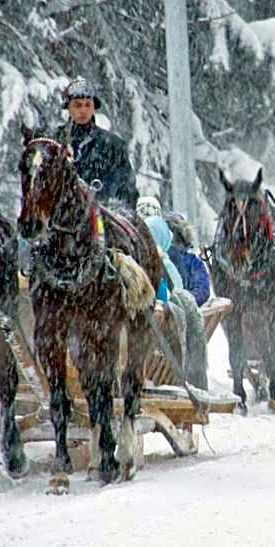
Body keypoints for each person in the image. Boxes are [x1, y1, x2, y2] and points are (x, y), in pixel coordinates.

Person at [145, 214, 208, 390]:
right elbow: (188, 290)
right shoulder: (169, 261)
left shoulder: (156, 260)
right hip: (164, 322)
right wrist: (186, 299)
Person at [62, 78, 139, 210]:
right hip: (61, 217)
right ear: (68, 108)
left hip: (103, 217)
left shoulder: (113, 146)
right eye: (77, 105)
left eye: (88, 105)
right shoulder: (55, 142)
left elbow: (127, 189)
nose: (83, 111)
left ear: (94, 107)